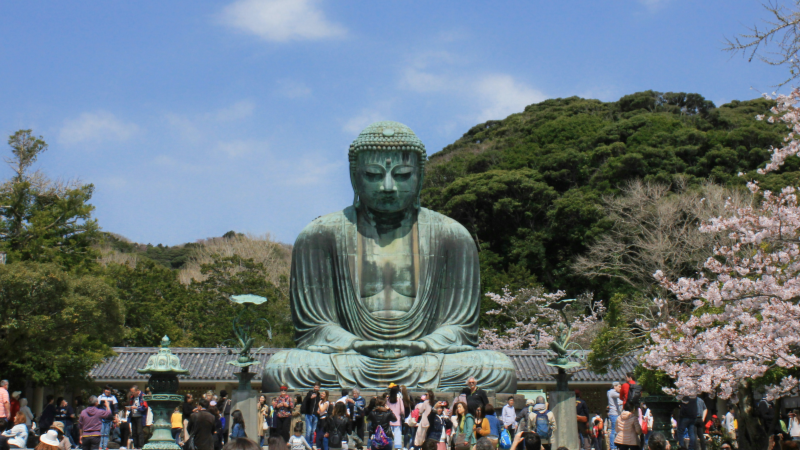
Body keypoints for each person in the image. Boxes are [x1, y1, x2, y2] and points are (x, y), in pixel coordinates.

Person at [128, 386, 147, 450]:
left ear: (137, 391)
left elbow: (144, 407)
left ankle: (140, 446)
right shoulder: (132, 397)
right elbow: (131, 405)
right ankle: (135, 446)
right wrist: (129, 408)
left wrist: (136, 408)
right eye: (131, 392)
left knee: (139, 432)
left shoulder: (143, 396)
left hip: (140, 416)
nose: (132, 393)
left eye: (133, 392)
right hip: (133, 416)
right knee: (134, 432)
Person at [608, 382, 623, 450]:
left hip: (616, 413)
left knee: (616, 430)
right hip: (614, 414)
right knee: (614, 431)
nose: (620, 388)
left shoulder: (613, 393)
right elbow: (621, 396)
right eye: (619, 387)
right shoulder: (612, 392)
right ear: (615, 386)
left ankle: (615, 446)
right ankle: (613, 447)